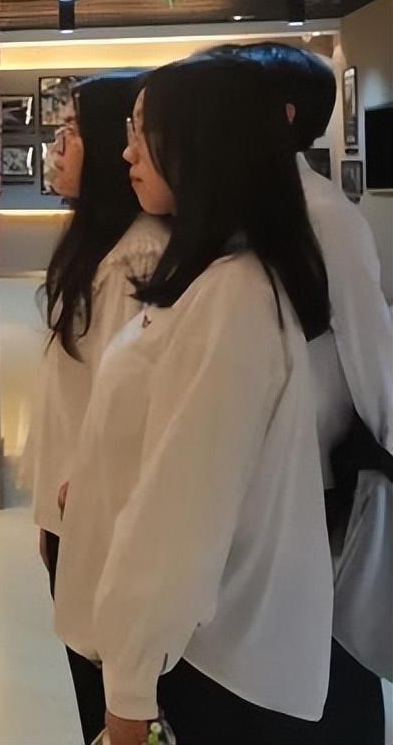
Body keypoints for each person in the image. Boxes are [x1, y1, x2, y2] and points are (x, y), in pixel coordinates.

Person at [55, 53, 334, 745]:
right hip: (192, 651)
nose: (126, 152)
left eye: (144, 131)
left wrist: (129, 693)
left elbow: (182, 517)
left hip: (206, 664)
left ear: (202, 143)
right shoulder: (211, 273)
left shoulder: (234, 297)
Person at [217, 42, 391, 745]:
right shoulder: (241, 208)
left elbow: (368, 342)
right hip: (257, 468)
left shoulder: (326, 216)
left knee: (327, 648)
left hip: (318, 467)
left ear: (283, 115)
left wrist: (380, 460)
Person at [32, 72, 169, 744]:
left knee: (116, 689)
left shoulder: (137, 256)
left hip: (104, 509)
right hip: (73, 504)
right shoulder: (98, 246)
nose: (57, 149)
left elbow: (124, 409)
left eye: (72, 132)